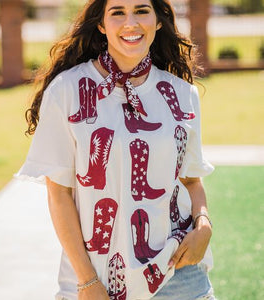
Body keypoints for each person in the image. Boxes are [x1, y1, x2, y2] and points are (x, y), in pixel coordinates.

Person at [16, 0, 216, 299]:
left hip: (179, 272)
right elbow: (58, 194)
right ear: (101, 24)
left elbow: (191, 180)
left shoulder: (181, 93)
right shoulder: (67, 90)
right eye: (117, 12)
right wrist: (86, 281)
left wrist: (203, 226)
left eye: (142, 10)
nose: (130, 23)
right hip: (96, 279)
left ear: (158, 21)